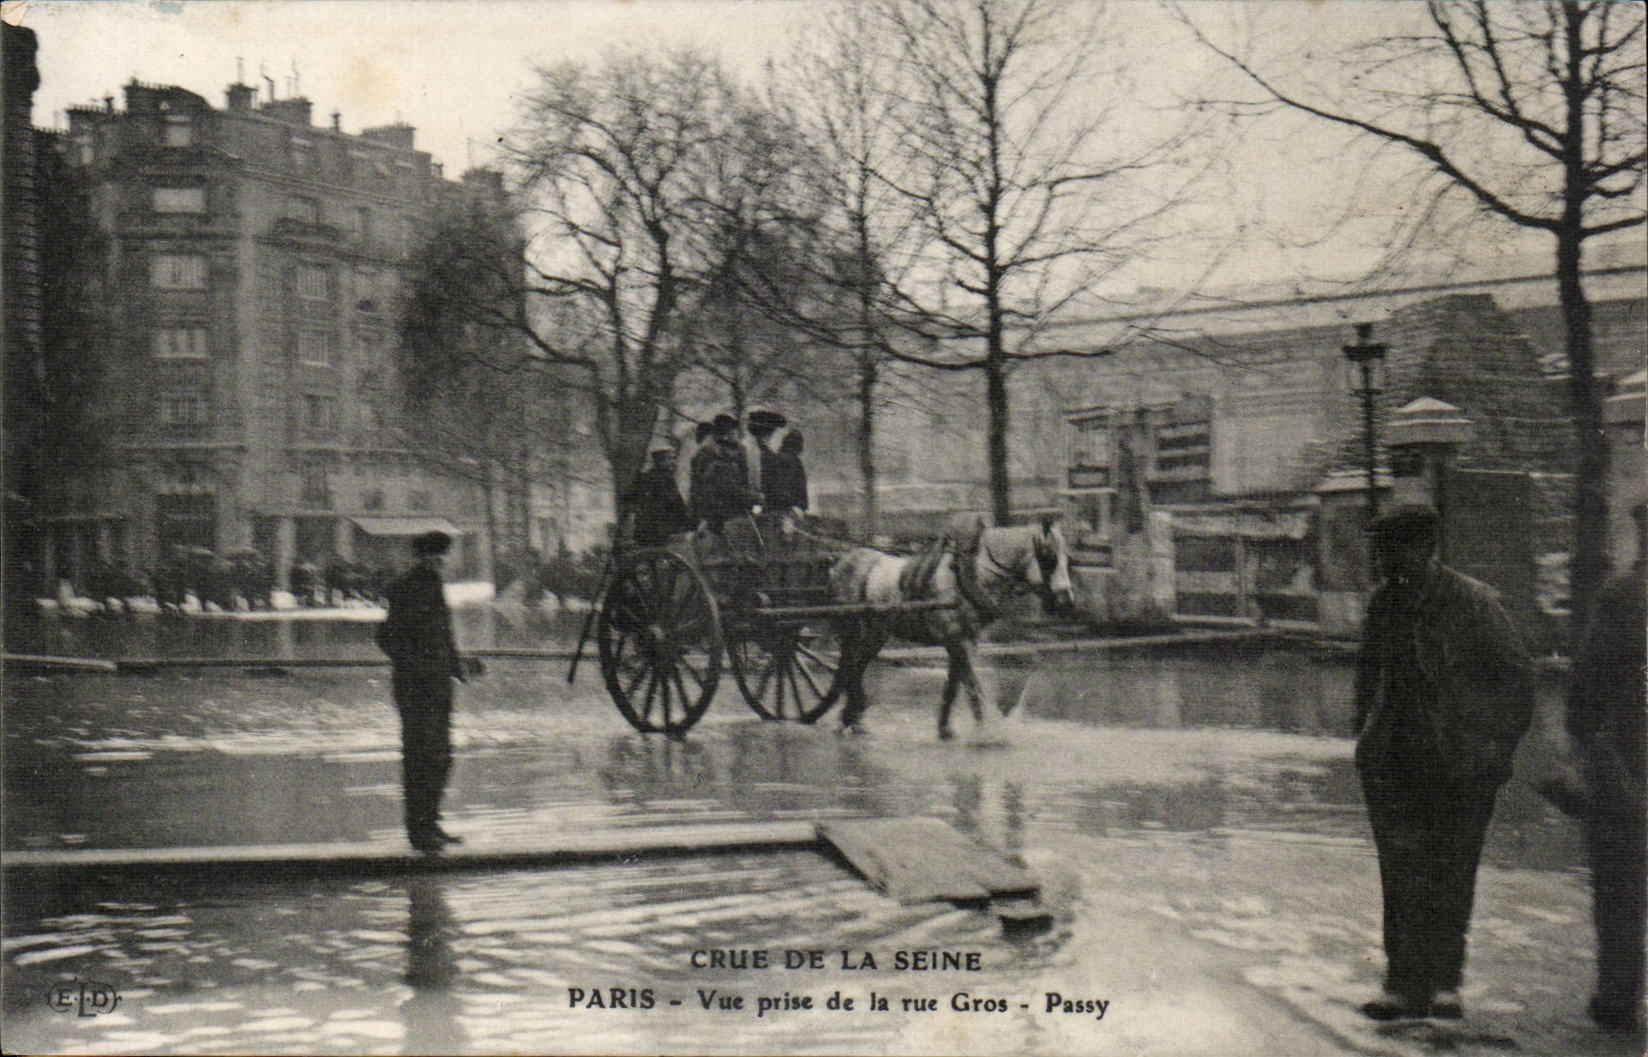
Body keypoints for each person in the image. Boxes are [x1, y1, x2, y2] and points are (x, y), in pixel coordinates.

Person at [1353, 503, 1535, 1021]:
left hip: (1460, 764)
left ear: (1424, 548)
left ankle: (1445, 984)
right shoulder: (1383, 604)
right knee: (1400, 871)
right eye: (1382, 549)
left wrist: (1495, 752)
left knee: (1451, 871)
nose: (1385, 559)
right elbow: (1366, 679)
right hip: (1395, 762)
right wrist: (1364, 743)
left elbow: (1518, 680)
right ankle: (1400, 981)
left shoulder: (1474, 602)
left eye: (1394, 548)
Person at [1566, 502, 1646, 1032]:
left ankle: (1617, 997)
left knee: (1618, 890)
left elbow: (1584, 693)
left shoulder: (1622, 599)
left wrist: (1591, 744)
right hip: (1626, 763)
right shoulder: (1623, 599)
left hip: (1624, 766)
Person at [376, 531, 480, 854]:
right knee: (421, 757)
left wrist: (458, 665)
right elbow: (386, 637)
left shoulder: (433, 587)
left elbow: (440, 639)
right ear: (421, 558)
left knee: (440, 755)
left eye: (440, 557)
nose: (439, 562)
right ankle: (419, 832)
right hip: (416, 687)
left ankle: (430, 822)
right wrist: (418, 667)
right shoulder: (406, 588)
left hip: (437, 686)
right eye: (433, 557)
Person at [689, 414, 754, 532]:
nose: (733, 435)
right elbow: (726, 485)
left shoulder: (714, 451)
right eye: (731, 431)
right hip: (717, 513)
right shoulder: (713, 453)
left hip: (718, 510)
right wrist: (752, 498)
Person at [622, 448, 692, 548]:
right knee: (658, 555)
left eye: (674, 459)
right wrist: (688, 524)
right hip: (659, 529)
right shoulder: (666, 480)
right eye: (669, 459)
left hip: (643, 528)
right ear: (660, 461)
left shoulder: (643, 478)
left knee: (645, 556)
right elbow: (677, 505)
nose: (673, 462)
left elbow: (628, 499)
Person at [746, 408, 788, 508]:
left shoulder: (749, 448)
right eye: (772, 433)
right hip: (764, 506)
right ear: (767, 434)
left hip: (759, 504)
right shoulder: (762, 454)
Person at [765, 429, 809, 516]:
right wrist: (801, 506)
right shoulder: (795, 462)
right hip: (790, 509)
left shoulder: (774, 458)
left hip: (772, 508)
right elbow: (800, 488)